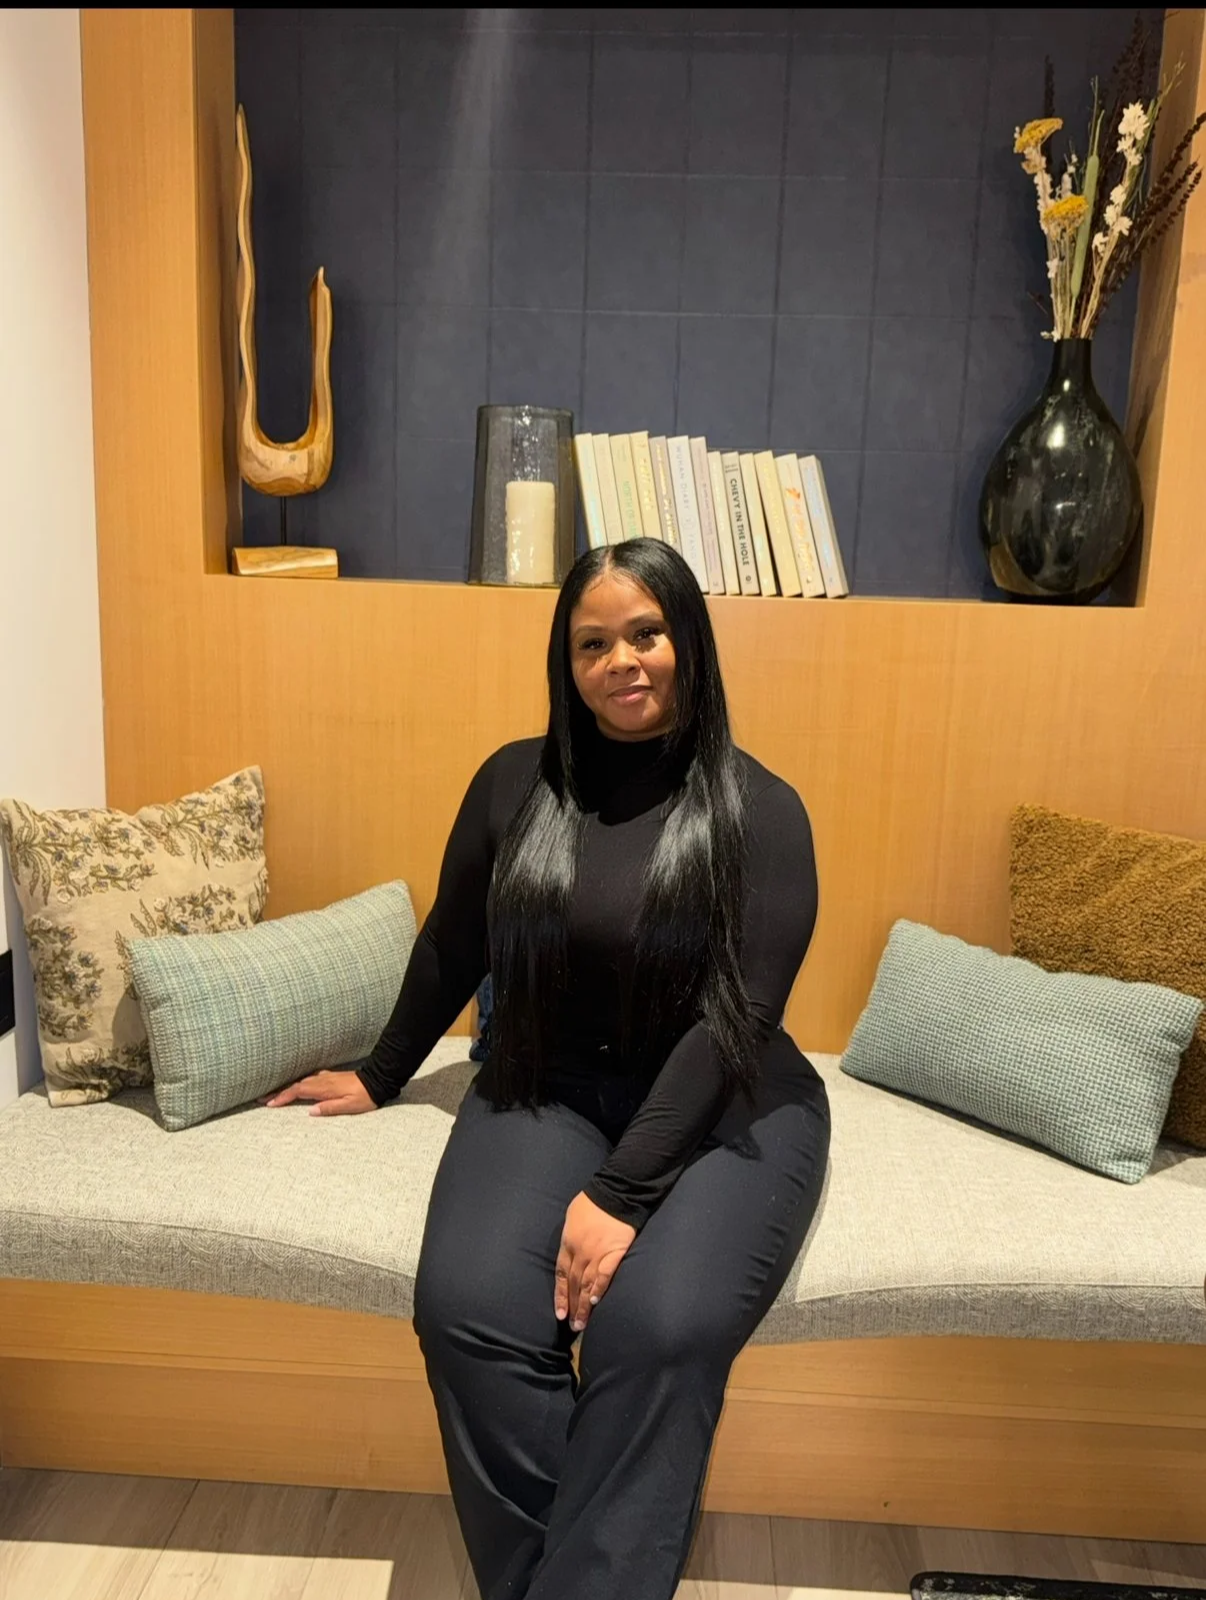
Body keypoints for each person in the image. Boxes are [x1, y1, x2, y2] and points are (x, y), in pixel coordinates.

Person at [266, 538, 831, 1600]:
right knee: (466, 1306)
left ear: (689, 640)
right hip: (546, 1083)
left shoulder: (764, 810)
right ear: (565, 662)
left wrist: (621, 1194)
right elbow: (453, 942)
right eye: (593, 642)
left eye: (647, 633)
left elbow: (738, 1016)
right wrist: (383, 1072)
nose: (624, 660)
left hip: (729, 1099)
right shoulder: (512, 784)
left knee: (658, 1328)